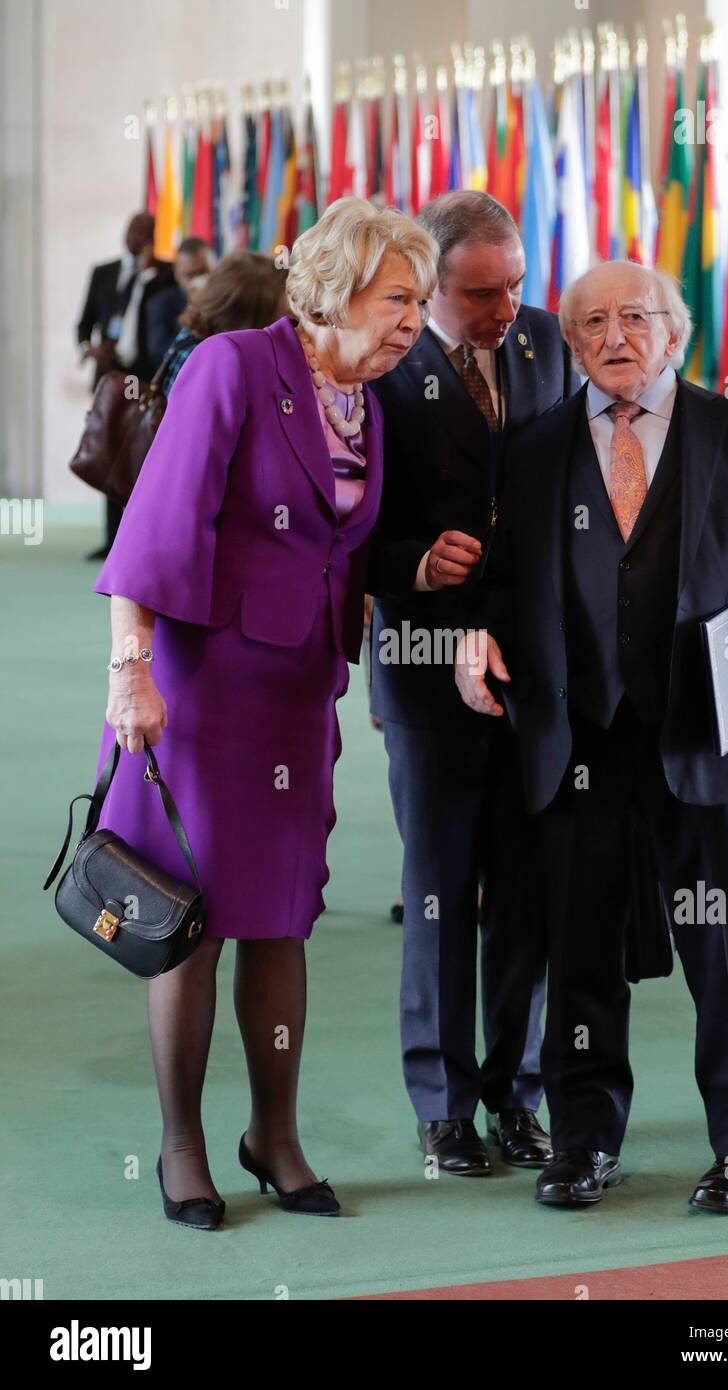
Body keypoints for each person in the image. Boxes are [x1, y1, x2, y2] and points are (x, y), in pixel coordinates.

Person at [89, 196, 438, 1230]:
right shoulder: (236, 367)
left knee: (281, 920)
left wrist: (403, 577)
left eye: (418, 301)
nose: (411, 320)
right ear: (332, 292)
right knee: (190, 922)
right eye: (396, 298)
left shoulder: (369, 402)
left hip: (297, 696)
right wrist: (131, 670)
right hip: (201, 691)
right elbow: (155, 528)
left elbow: (336, 546)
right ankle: (183, 1146)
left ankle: (273, 1136)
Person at [456, 259, 728, 1212]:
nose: (613, 337)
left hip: (703, 739)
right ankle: (582, 1141)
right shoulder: (532, 449)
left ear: (674, 332)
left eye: (634, 318)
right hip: (573, 743)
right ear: (569, 342)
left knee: (722, 950)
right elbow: (504, 582)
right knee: (579, 950)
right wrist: (481, 632)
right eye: (590, 324)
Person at [367, 190, 579, 1177]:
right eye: (481, 292)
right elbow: (348, 530)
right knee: (442, 891)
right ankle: (442, 1105)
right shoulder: (385, 359)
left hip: (532, 668)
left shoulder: (544, 341)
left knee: (526, 898)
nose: (505, 310)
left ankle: (516, 1093)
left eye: (517, 286)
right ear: (433, 277)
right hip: (423, 667)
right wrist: (416, 564)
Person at [76, 211, 175, 558]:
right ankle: (111, 539)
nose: (135, 238)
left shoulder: (166, 275)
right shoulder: (104, 274)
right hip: (113, 377)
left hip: (147, 378)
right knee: (109, 451)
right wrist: (89, 349)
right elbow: (83, 325)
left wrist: (150, 273)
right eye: (131, 231)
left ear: (152, 237)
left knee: (143, 455)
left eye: (143, 233)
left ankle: (141, 539)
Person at [157, 250, 287, 396]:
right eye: (278, 313)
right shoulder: (211, 365)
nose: (285, 322)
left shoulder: (196, 335)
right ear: (248, 319)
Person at [146, 236, 215, 367]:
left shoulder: (226, 300)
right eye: (190, 275)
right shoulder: (160, 304)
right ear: (177, 274)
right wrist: (194, 312)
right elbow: (159, 355)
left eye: (204, 272)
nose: (198, 280)